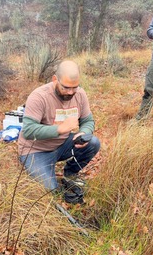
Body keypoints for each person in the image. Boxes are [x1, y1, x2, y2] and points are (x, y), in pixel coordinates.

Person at [17, 61, 101, 203]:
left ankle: (71, 173)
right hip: (35, 150)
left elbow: (88, 121)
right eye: (66, 87)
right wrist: (60, 129)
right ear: (55, 79)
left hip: (61, 145)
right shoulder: (39, 96)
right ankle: (47, 172)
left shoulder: (79, 94)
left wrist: (84, 132)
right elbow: (28, 130)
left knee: (92, 142)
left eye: (75, 87)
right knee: (49, 191)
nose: (70, 92)